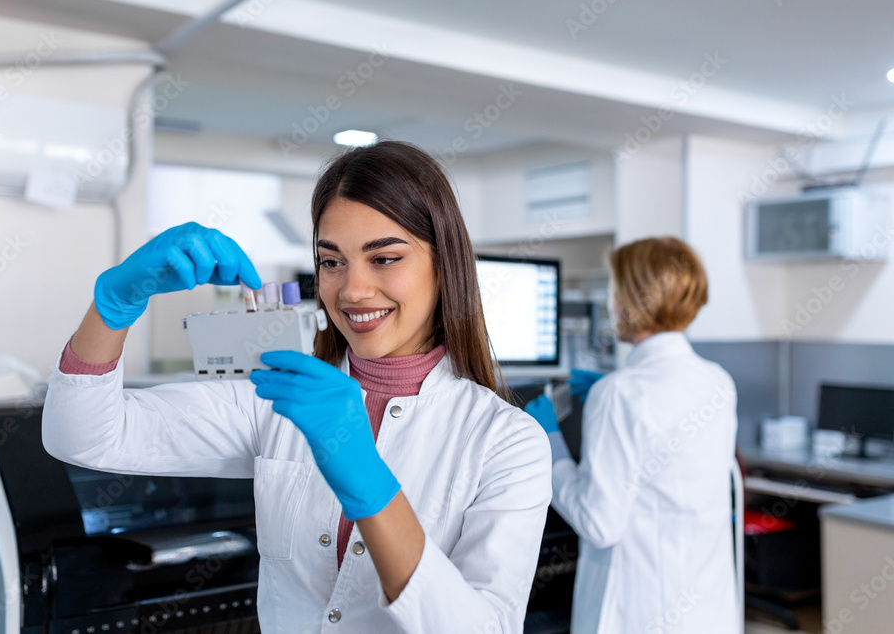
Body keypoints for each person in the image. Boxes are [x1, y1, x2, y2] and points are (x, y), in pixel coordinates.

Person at [41, 140, 552, 633]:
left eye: (385, 258)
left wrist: (368, 480)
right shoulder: (278, 400)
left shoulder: (505, 441)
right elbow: (84, 436)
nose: (351, 290)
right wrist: (115, 303)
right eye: (331, 261)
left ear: (445, 266)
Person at [525, 237, 739, 634]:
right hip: (705, 609)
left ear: (632, 301)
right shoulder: (717, 382)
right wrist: (614, 385)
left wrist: (548, 442)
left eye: (614, 290)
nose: (611, 304)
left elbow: (598, 522)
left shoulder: (620, 395)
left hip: (636, 612)